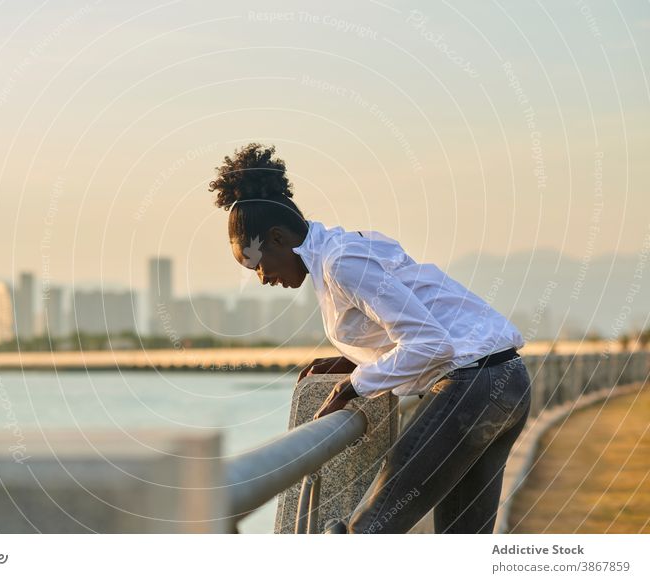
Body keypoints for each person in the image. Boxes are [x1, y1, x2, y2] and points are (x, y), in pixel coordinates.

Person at [210, 142, 532, 534]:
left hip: (473, 387)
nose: (261, 278)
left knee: (368, 531)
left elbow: (431, 343)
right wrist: (358, 359)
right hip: (508, 379)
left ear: (277, 239)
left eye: (256, 264)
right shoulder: (344, 249)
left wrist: (355, 384)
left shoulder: (340, 262)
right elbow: (412, 319)